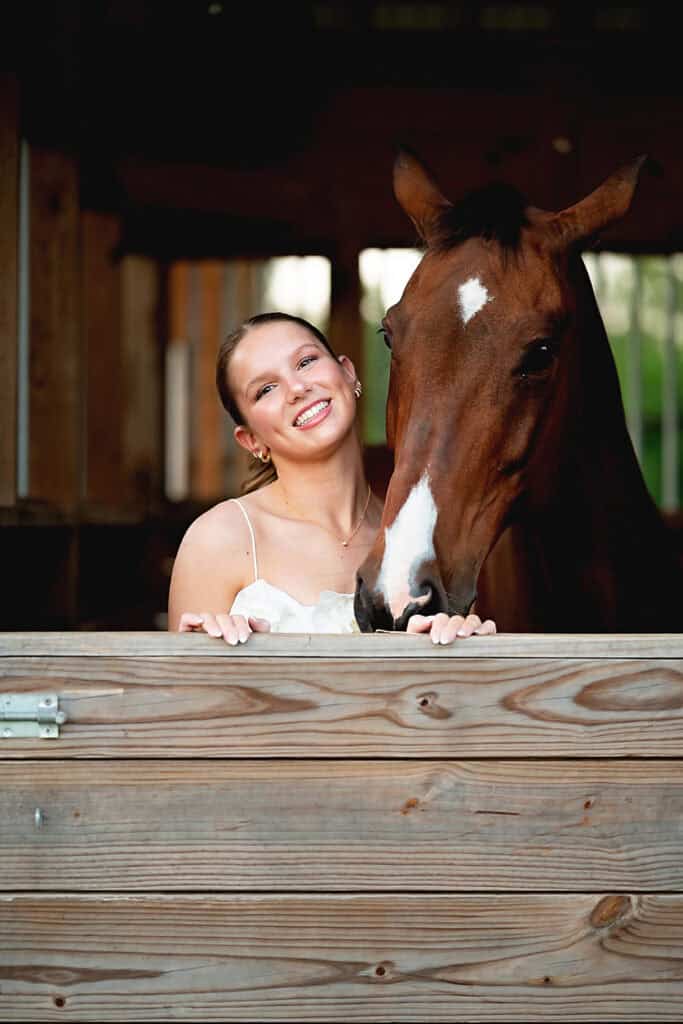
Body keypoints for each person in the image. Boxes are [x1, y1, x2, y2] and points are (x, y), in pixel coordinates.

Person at [167, 311, 496, 644]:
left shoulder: (419, 538)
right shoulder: (217, 540)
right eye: (265, 389)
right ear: (251, 440)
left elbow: (440, 693)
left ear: (348, 372)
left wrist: (464, 648)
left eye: (306, 361)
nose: (296, 388)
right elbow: (178, 693)